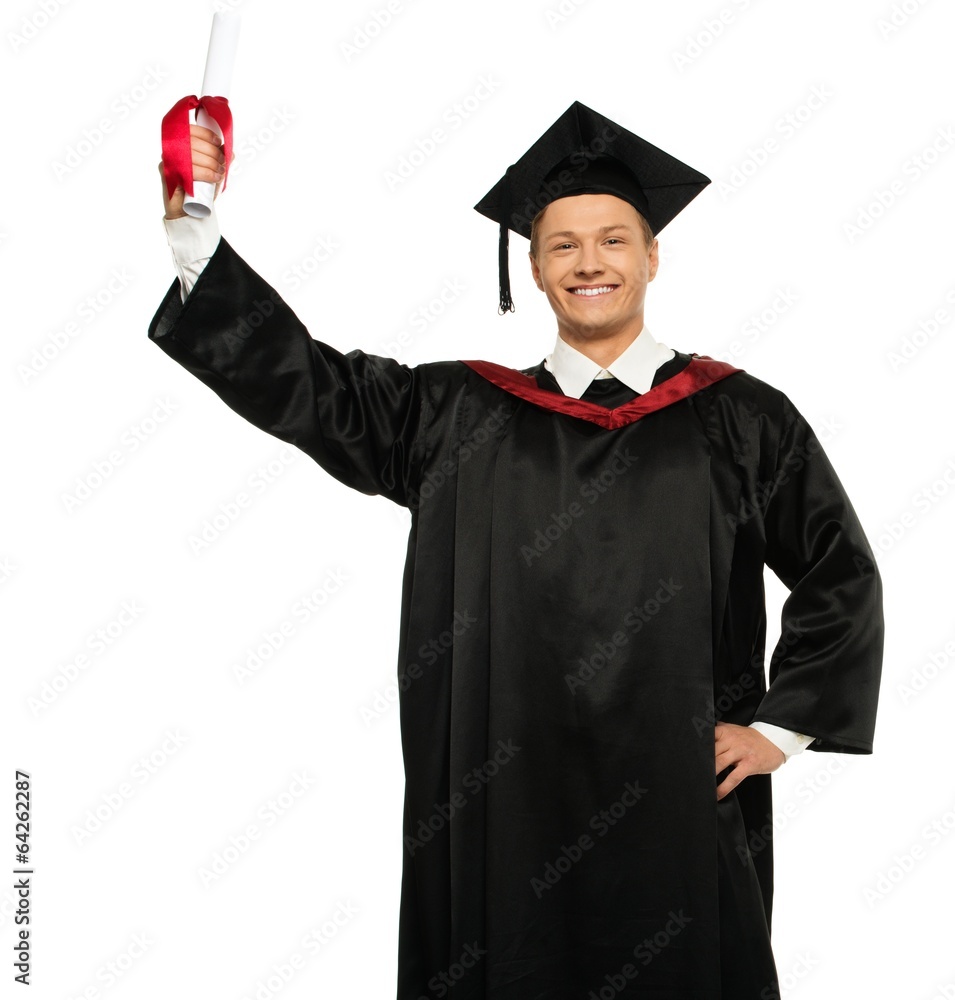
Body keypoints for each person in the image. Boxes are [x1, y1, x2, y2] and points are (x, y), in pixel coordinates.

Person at [150, 100, 883, 999]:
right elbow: (309, 385)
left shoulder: (739, 415)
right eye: (561, 245)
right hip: (501, 800)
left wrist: (778, 728)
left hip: (679, 799)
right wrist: (196, 233)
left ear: (652, 256)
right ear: (532, 268)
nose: (588, 263)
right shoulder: (455, 416)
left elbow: (838, 569)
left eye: (612, 240)